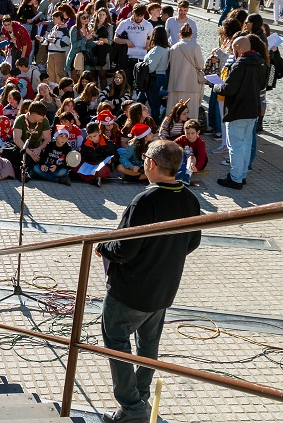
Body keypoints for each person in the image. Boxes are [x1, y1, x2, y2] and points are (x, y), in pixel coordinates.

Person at [96, 139, 201, 423]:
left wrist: (103, 246)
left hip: (129, 291)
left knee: (116, 342)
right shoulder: (190, 199)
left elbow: (125, 249)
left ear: (151, 164)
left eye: (144, 158)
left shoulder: (144, 200)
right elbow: (192, 242)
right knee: (147, 346)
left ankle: (131, 408)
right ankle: (140, 398)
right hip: (163, 291)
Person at [212, 35, 266, 189]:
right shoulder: (260, 62)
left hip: (238, 109)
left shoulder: (240, 64)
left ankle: (235, 178)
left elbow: (229, 89)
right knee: (246, 144)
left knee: (235, 145)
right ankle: (241, 175)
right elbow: (262, 85)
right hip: (253, 110)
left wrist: (216, 86)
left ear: (237, 48)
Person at [167, 23, 204, 120]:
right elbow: (200, 65)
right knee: (190, 115)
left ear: (180, 35)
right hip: (191, 85)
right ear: (191, 35)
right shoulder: (195, 47)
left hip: (175, 84)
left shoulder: (173, 48)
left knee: (175, 115)